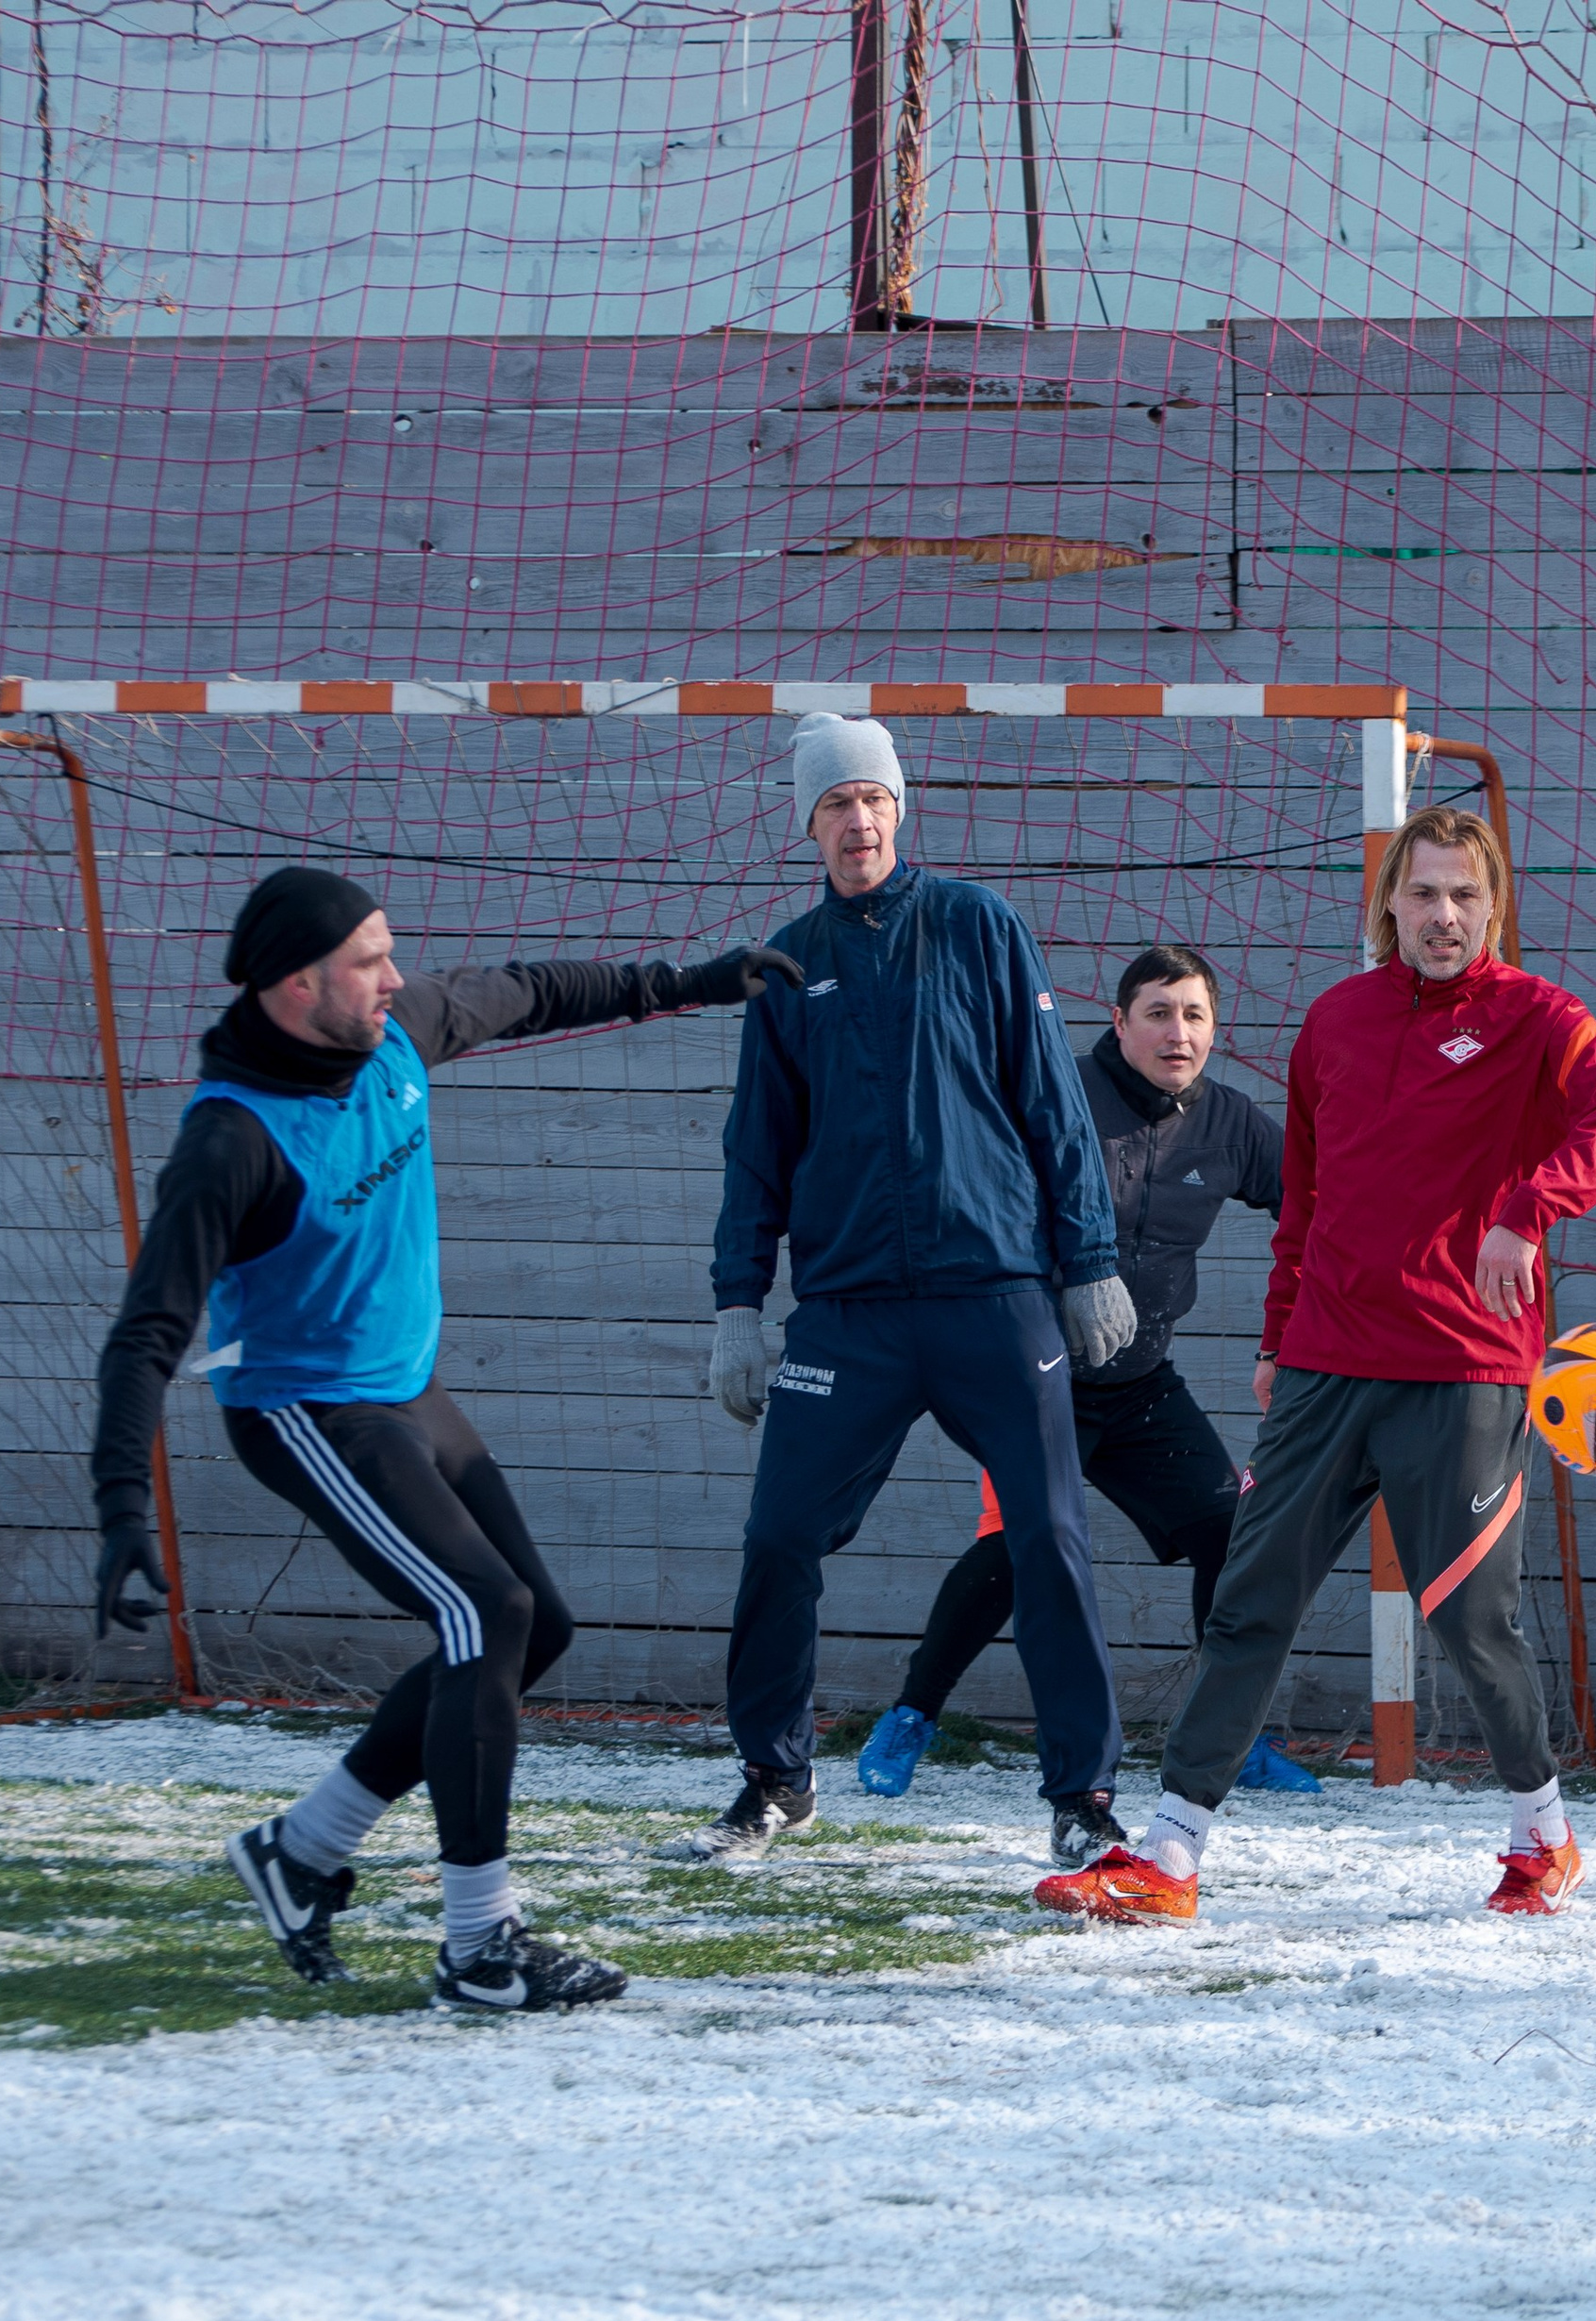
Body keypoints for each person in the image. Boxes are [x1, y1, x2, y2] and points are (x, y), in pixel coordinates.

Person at [91, 866, 801, 2010]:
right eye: (367, 960)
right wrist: (122, 1502)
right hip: (305, 1410)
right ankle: (478, 1948)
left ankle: (303, 1848)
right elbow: (144, 1337)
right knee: (487, 1611)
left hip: (404, 1392)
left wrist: (697, 980)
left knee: (536, 1625)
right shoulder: (231, 1143)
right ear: (293, 982)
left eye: (388, 951)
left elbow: (529, 990)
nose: (393, 976)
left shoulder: (396, 1036)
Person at [1037, 801, 1596, 1925]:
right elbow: (1306, 1205)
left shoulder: (1539, 1016)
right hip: (1326, 1363)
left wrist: (1528, 1205)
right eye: (1422, 893)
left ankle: (1543, 1836)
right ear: (1388, 904)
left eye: (1465, 896)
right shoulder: (1332, 1021)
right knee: (1247, 1599)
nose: (1443, 915)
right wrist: (1279, 1333)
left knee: (1472, 1624)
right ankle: (1169, 1858)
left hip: (1465, 1366)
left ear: (1494, 904)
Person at [675, 713, 1138, 1870]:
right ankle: (776, 1777)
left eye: (872, 799)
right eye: (834, 805)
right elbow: (756, 1152)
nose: (857, 820)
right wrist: (741, 1302)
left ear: (899, 807)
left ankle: (1081, 1795)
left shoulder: (979, 925)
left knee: (1047, 1533)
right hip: (850, 1313)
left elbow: (1051, 1105)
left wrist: (1086, 1261)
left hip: (994, 1295)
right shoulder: (787, 965)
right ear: (810, 824)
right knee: (781, 1533)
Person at [856, 943, 1320, 1812]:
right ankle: (911, 1717)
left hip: (1140, 1382)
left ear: (1214, 1030)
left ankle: (1233, 1740)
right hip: (1033, 1380)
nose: (1175, 1032)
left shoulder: (1230, 1124)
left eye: (1193, 1015)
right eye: (1157, 1012)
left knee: (1232, 1532)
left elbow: (1320, 1209)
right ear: (1118, 1021)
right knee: (1019, 1549)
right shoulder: (1054, 1094)